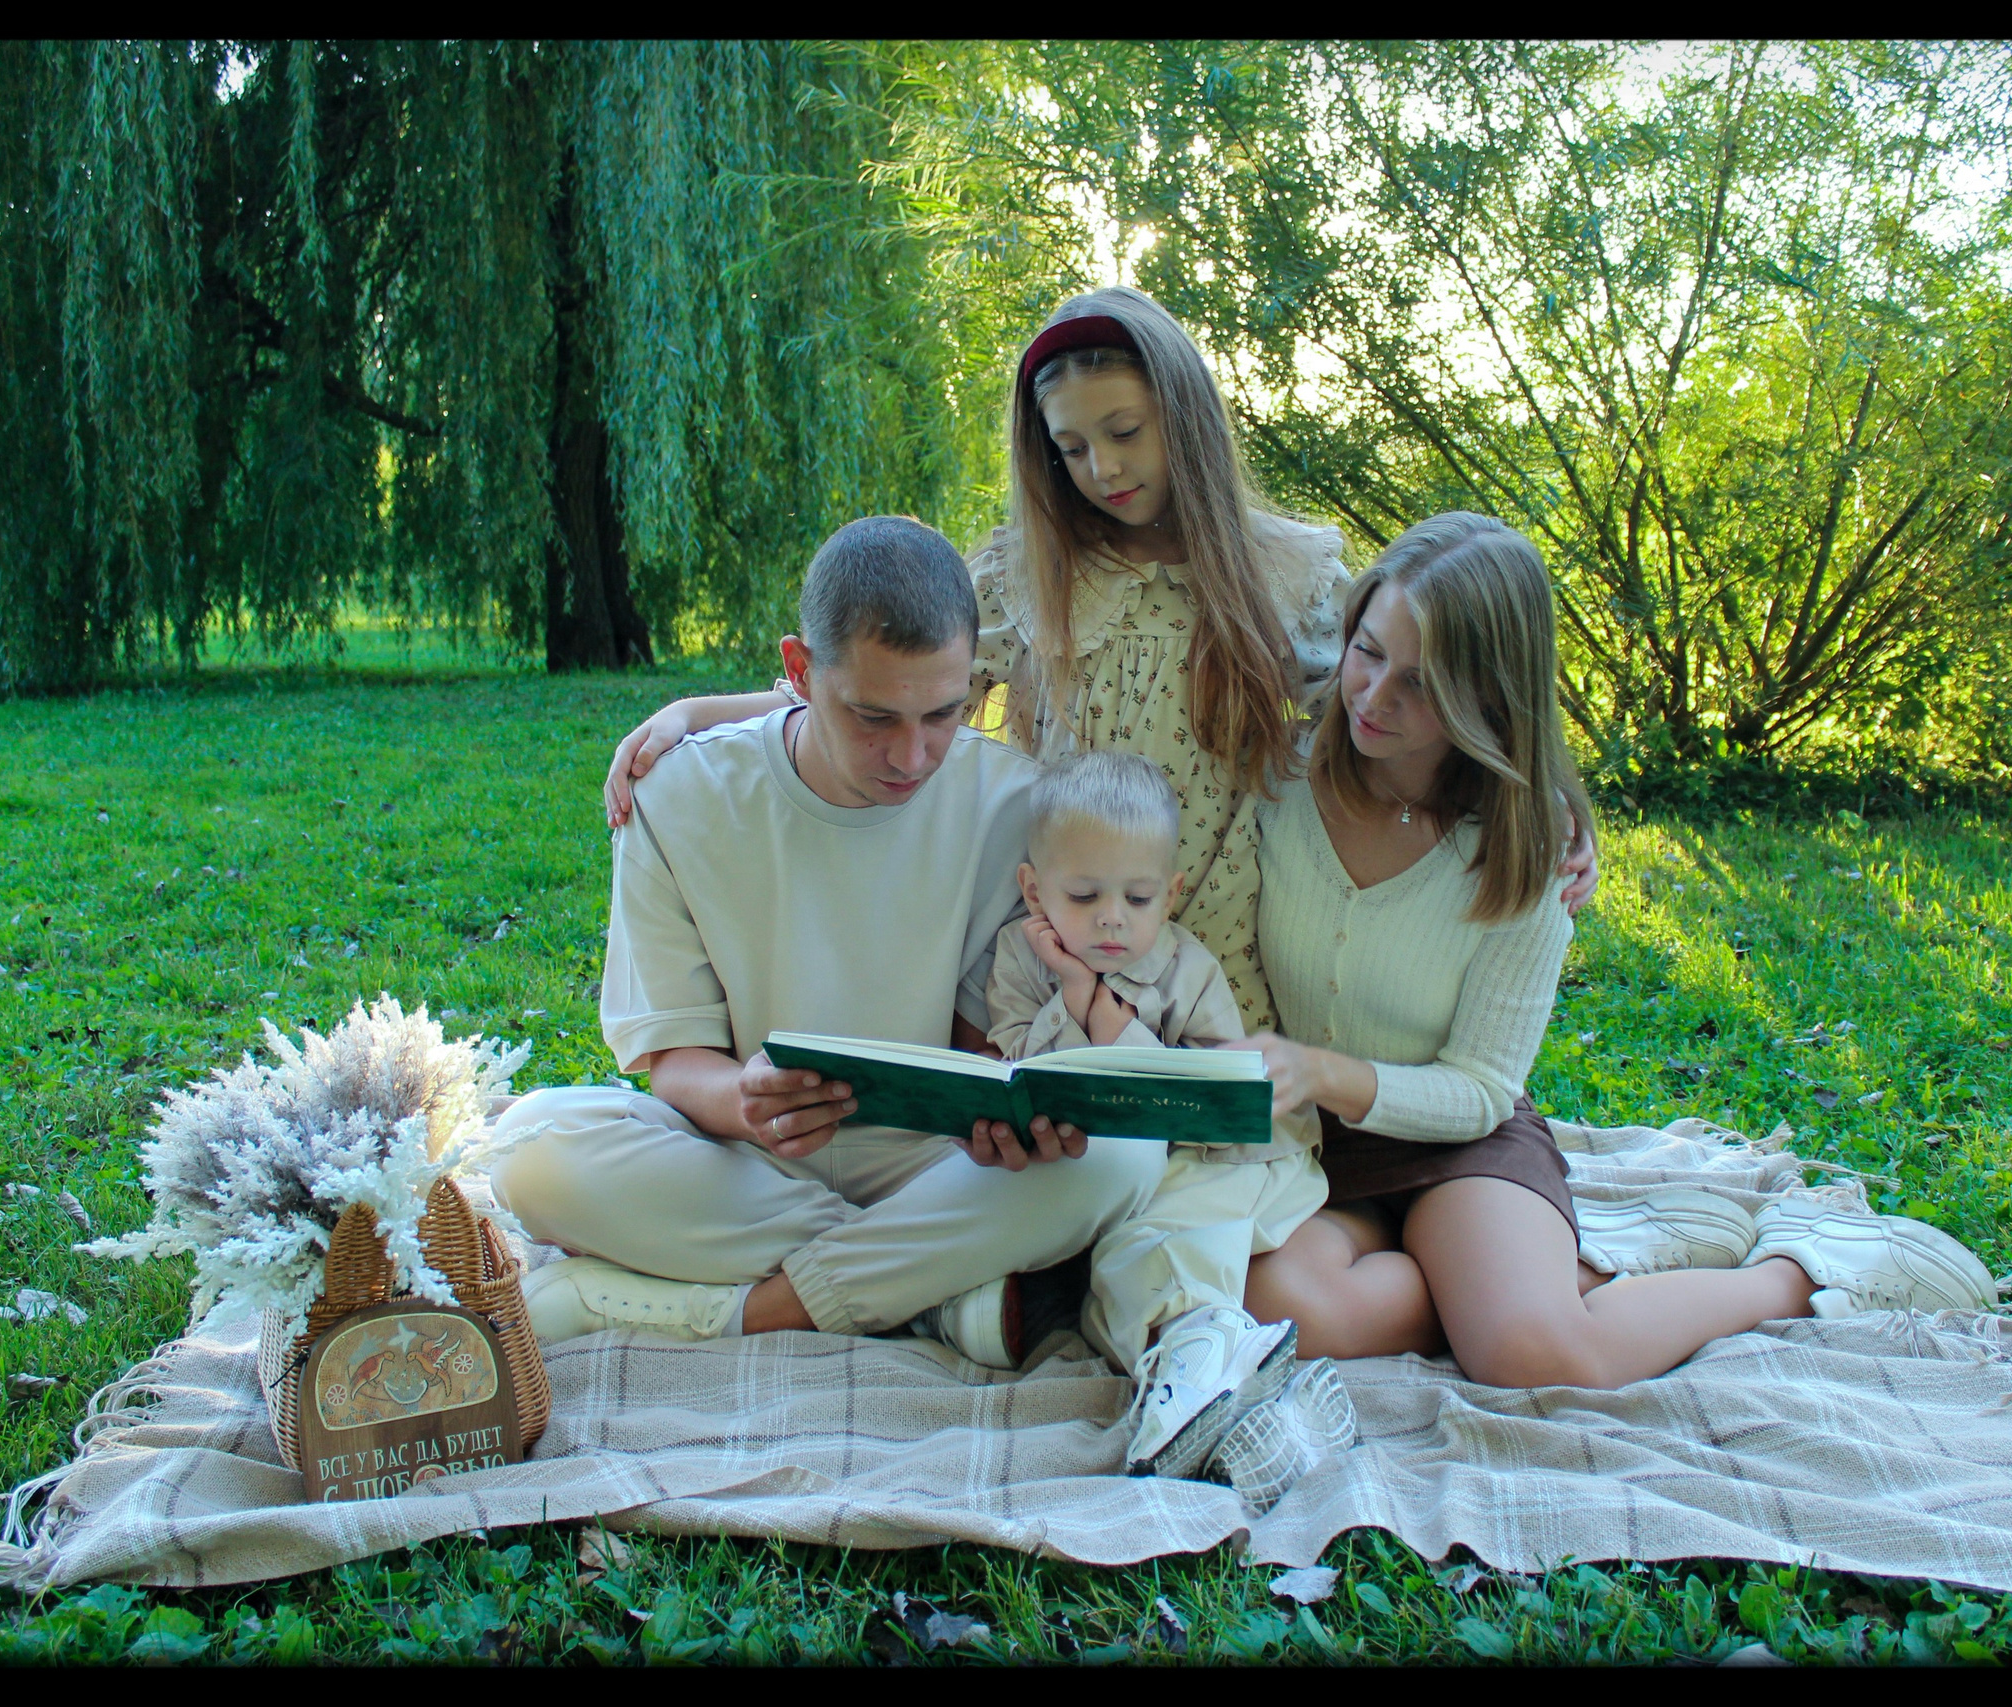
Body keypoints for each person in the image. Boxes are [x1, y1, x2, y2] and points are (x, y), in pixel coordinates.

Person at [596, 287, 1604, 1041]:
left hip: (1219, 929)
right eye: (1070, 448)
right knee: (1071, 1156)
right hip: (1073, 929)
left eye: (1124, 433)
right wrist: (697, 712)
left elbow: (1417, 683)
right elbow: (893, 689)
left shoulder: (1286, 571)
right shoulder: (1027, 577)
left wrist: (1556, 804)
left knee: (1214, 1173)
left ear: (1183, 417)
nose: (1103, 469)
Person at [1234, 514, 1997, 1390]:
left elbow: (1481, 1087)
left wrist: (1321, 1070)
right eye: (1368, 653)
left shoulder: (1525, 842)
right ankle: (1527, 1280)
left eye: (1422, 684)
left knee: (1538, 1357)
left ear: (1491, 697)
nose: (1372, 699)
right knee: (1286, 1310)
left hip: (1457, 1138)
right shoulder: (1278, 763)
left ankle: (1788, 1274)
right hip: (1309, 1141)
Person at [492, 516, 1168, 1356]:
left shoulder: (1015, 806)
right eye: (873, 716)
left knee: (1126, 1156)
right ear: (800, 672)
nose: (913, 755)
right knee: (526, 1151)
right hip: (748, 1164)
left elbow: (995, 1045)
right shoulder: (677, 797)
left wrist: (1005, 1111)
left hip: (934, 1166)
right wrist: (744, 1099)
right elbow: (673, 1059)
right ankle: (929, 1289)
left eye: (944, 714)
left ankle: (743, 1312)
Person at [980, 750, 1352, 1503]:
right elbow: (1017, 1060)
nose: (1113, 917)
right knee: (1117, 1263)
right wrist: (1065, 992)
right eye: (1083, 895)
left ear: (1172, 893)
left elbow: (1211, 1104)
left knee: (1161, 1235)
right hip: (1094, 1177)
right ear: (1034, 888)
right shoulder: (1019, 963)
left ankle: (1184, 1366)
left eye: (1140, 897)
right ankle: (1233, 1392)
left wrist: (1093, 1003)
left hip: (1217, 1166)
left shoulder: (1189, 971)